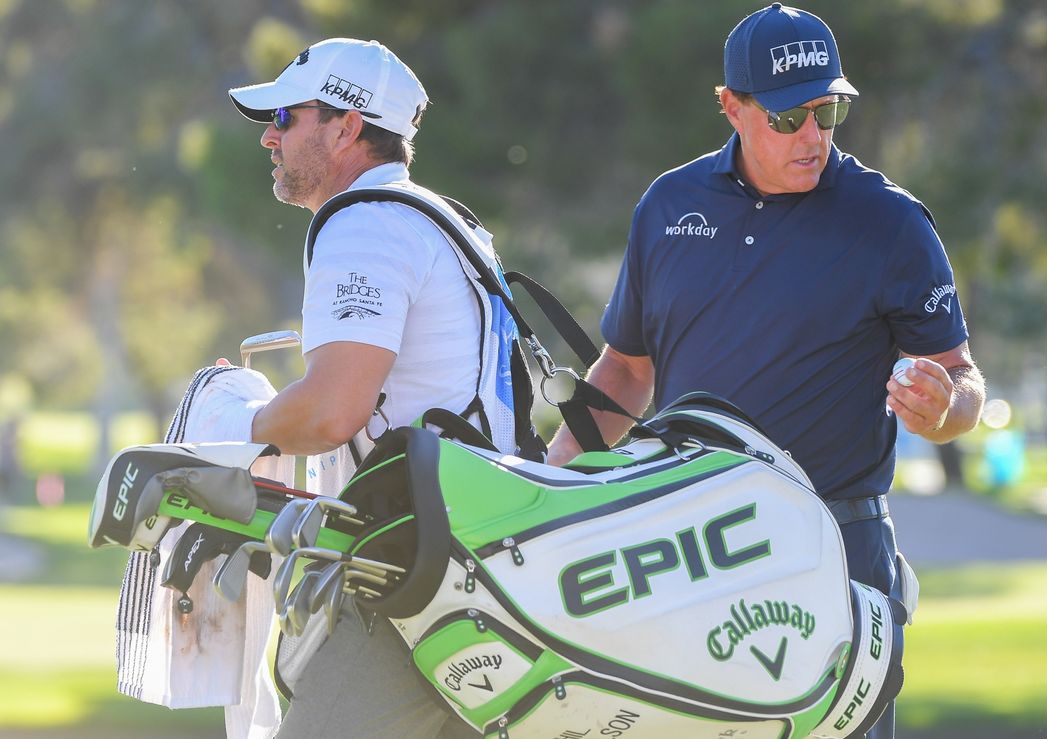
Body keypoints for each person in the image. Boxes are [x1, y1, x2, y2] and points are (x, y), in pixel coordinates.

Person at [547, 5, 986, 738]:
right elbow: (625, 371)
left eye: (829, 111)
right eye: (789, 118)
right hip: (689, 547)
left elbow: (962, 377)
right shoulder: (669, 205)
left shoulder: (891, 222)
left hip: (834, 545)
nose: (813, 136)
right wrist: (551, 481)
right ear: (732, 107)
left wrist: (944, 408)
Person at [228, 37, 486, 738]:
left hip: (420, 573)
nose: (269, 138)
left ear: (347, 127)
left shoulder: (364, 221)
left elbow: (331, 410)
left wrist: (233, 429)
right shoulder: (445, 219)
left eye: (285, 116)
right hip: (487, 565)